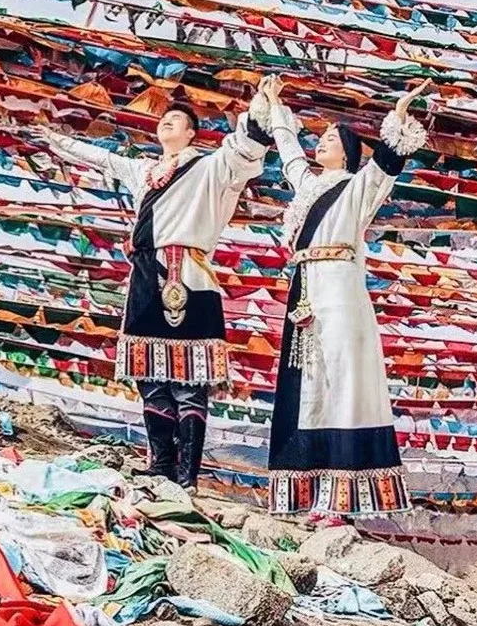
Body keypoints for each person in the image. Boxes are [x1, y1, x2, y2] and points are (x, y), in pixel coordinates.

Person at [35, 98, 273, 492]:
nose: (166, 122)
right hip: (145, 273)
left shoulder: (209, 167)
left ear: (192, 133)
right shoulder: (144, 171)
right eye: (163, 119)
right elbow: (103, 159)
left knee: (191, 379)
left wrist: (262, 107)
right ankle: (162, 463)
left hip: (191, 273)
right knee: (148, 374)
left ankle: (188, 475)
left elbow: (245, 149)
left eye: (176, 119)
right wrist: (56, 140)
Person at [257, 74, 431, 519]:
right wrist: (275, 106)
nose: (323, 142)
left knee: (342, 386)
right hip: (307, 287)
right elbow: (290, 152)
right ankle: (311, 491)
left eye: (333, 138)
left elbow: (388, 162)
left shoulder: (358, 188)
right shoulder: (309, 186)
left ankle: (340, 499)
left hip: (339, 288)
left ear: (350, 153)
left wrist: (398, 112)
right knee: (310, 386)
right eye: (323, 136)